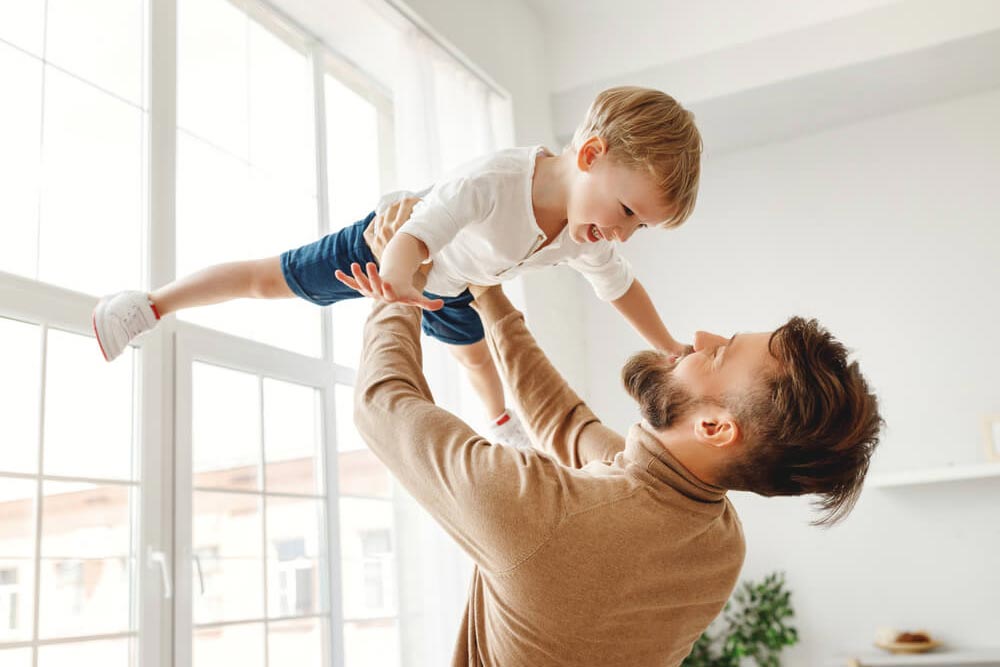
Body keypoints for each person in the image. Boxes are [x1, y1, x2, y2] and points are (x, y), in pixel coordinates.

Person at [346, 200, 883, 666]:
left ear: (715, 427)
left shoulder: (546, 520)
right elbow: (569, 427)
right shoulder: (717, 538)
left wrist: (395, 287)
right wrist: (489, 295)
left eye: (717, 353)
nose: (699, 336)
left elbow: (384, 407)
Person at [91, 86, 700, 447]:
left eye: (637, 225)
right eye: (626, 210)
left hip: (456, 280)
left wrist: (670, 344)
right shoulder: (492, 182)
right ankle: (148, 304)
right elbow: (415, 236)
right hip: (396, 245)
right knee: (267, 280)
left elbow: (620, 288)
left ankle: (501, 421)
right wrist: (398, 280)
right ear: (590, 155)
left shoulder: (587, 233)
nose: (622, 233)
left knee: (473, 352)